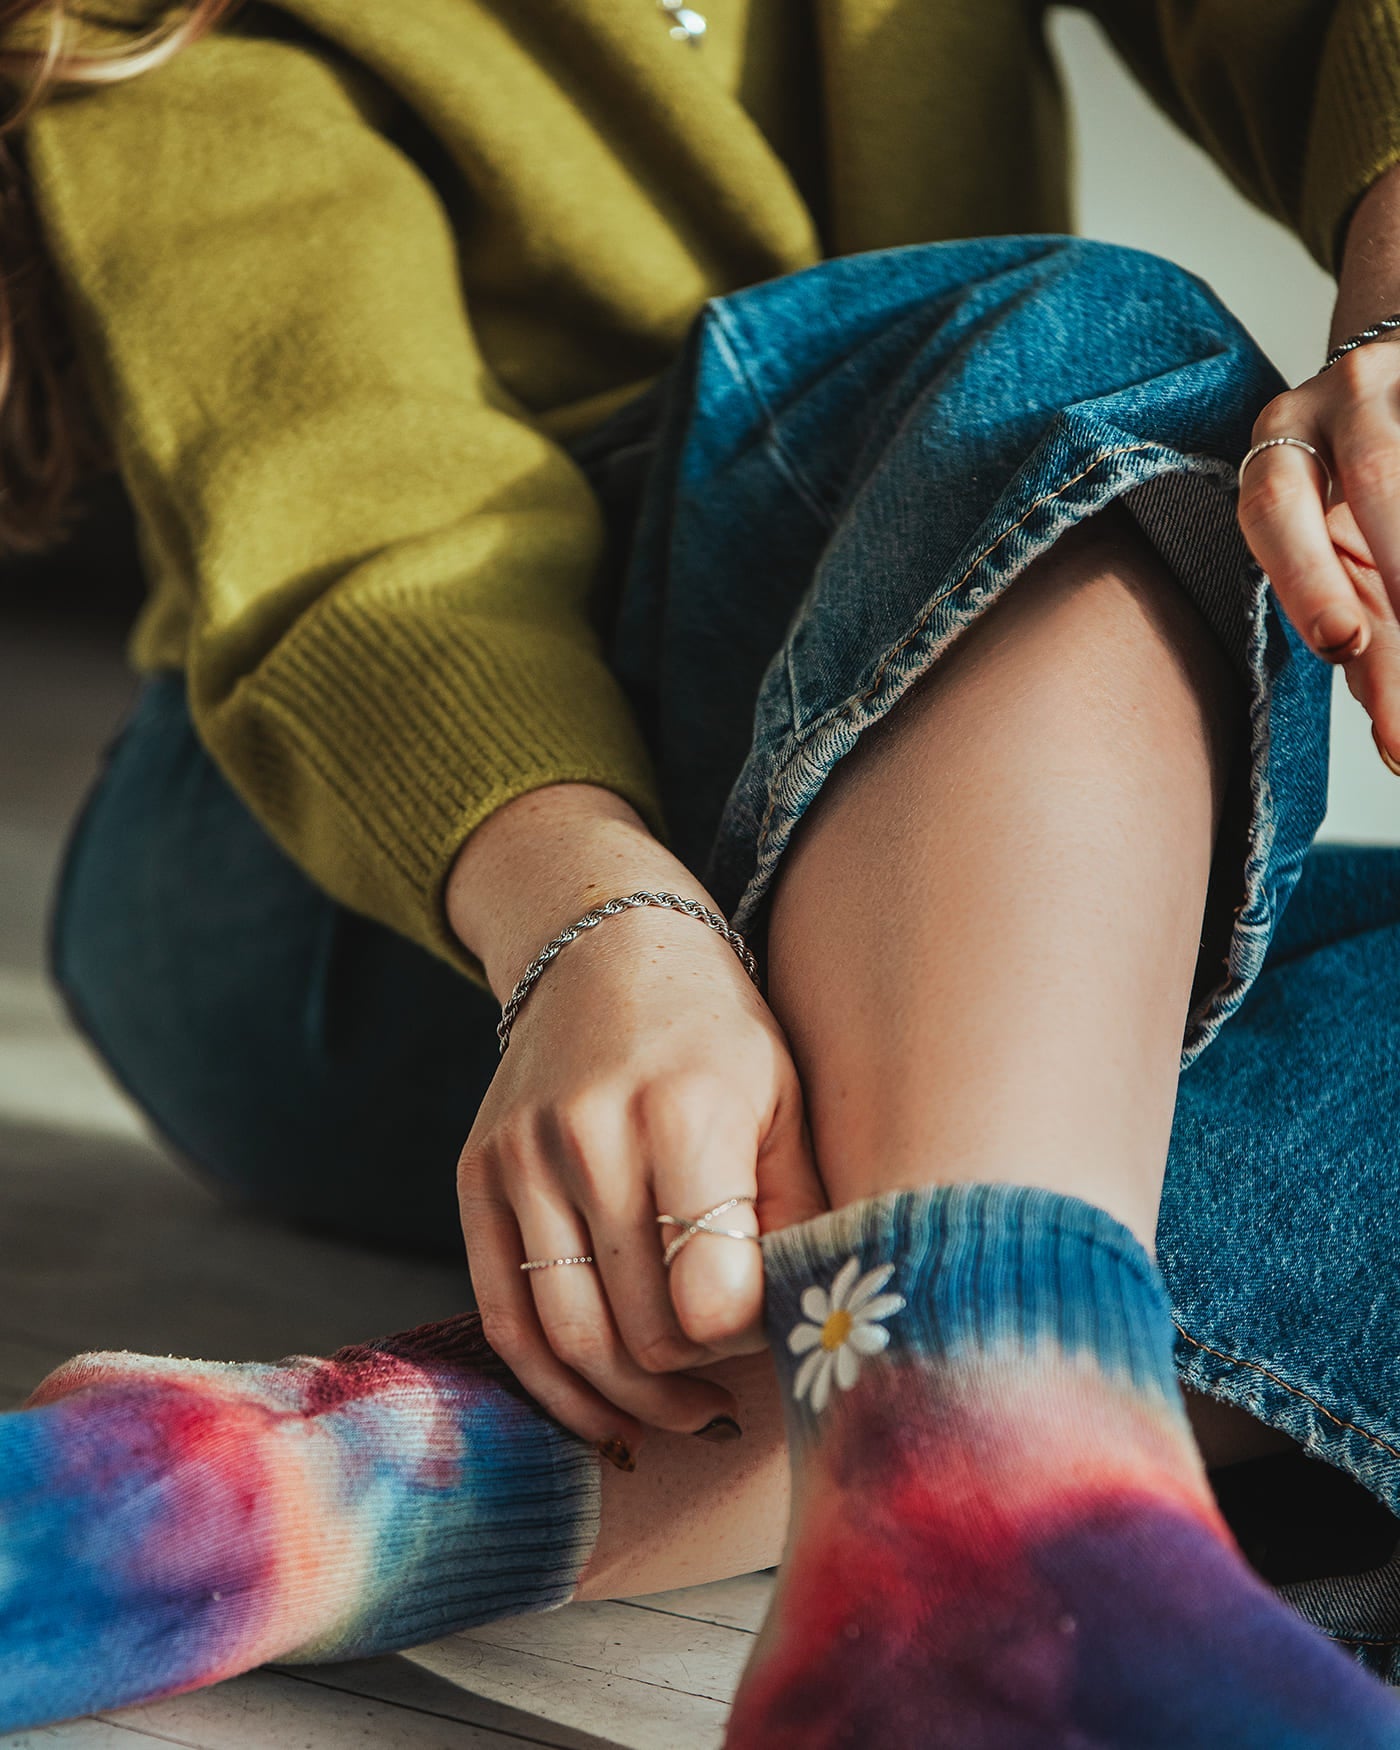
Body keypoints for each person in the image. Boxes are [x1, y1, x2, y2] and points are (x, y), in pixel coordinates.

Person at [2, 0, 1400, 1740]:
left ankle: (309, 1491)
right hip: (367, 885)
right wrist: (597, 919)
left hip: (907, 823)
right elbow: (354, 534)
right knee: (1111, 354)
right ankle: (992, 1506)